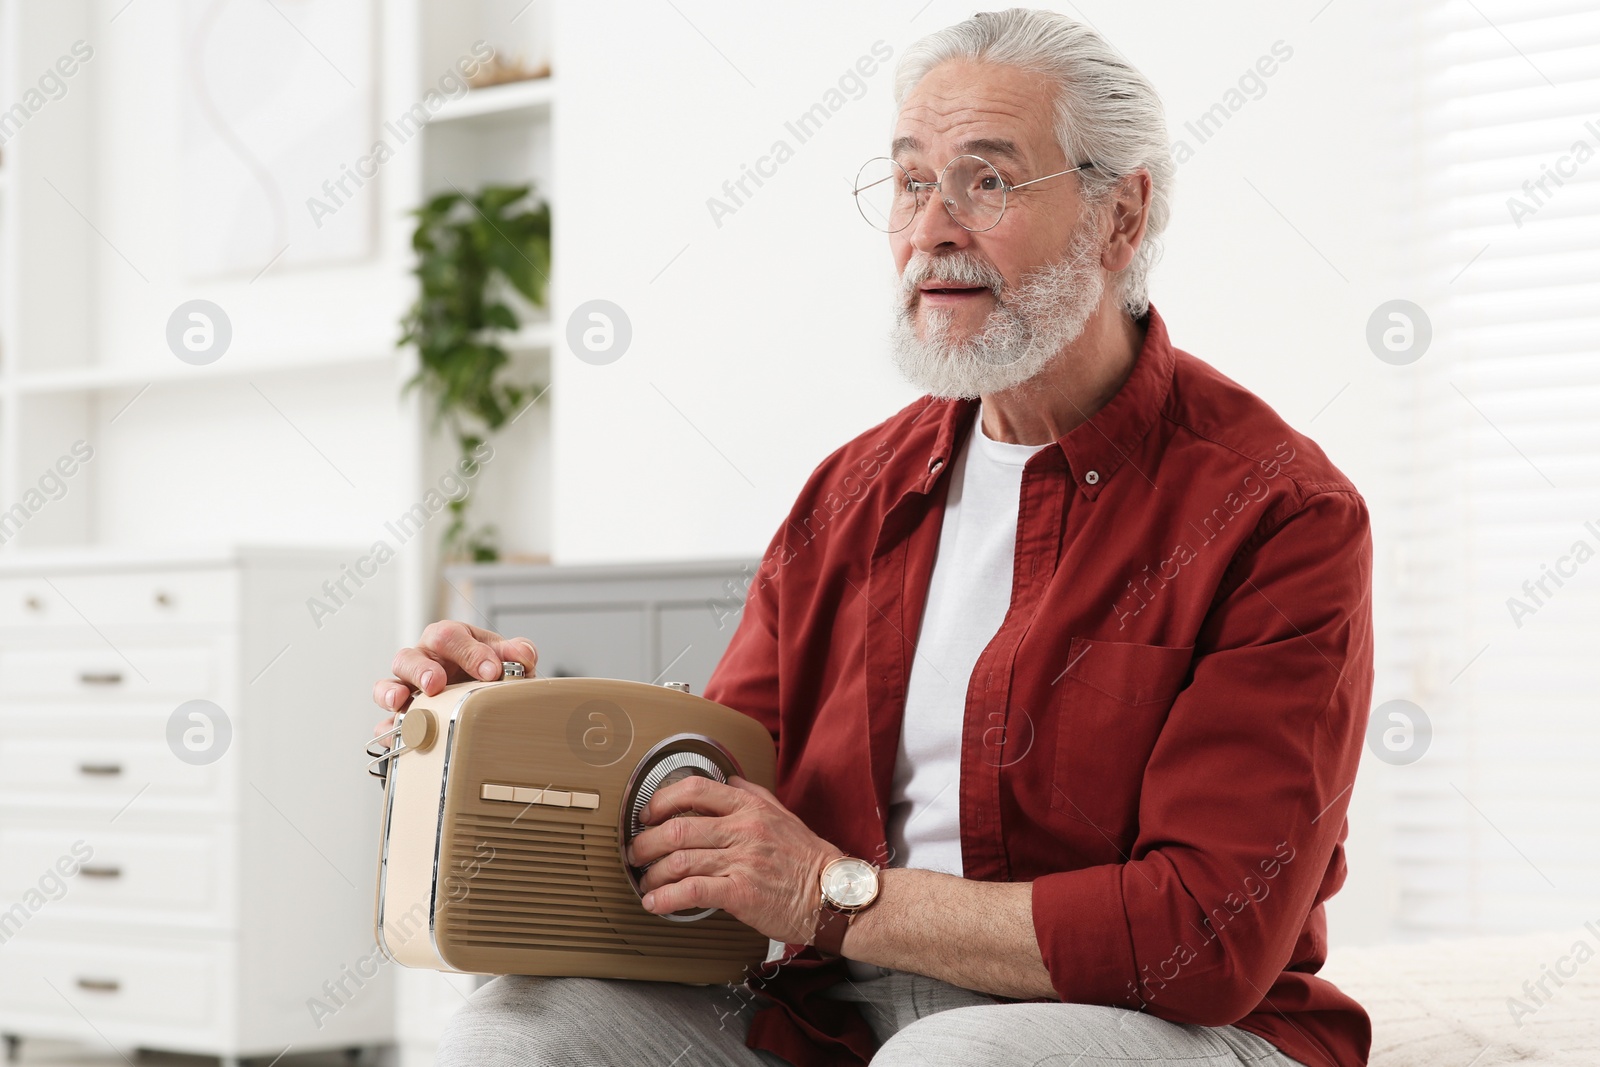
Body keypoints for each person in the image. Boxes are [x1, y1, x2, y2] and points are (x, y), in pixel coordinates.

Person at [373, 9, 1372, 1066]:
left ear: (1120, 218)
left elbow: (1205, 934)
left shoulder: (1277, 511)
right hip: (835, 1012)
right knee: (516, 1030)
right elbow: (728, 803)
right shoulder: (848, 494)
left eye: (986, 181)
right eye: (908, 182)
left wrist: (827, 892)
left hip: (1163, 1023)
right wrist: (495, 728)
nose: (932, 228)